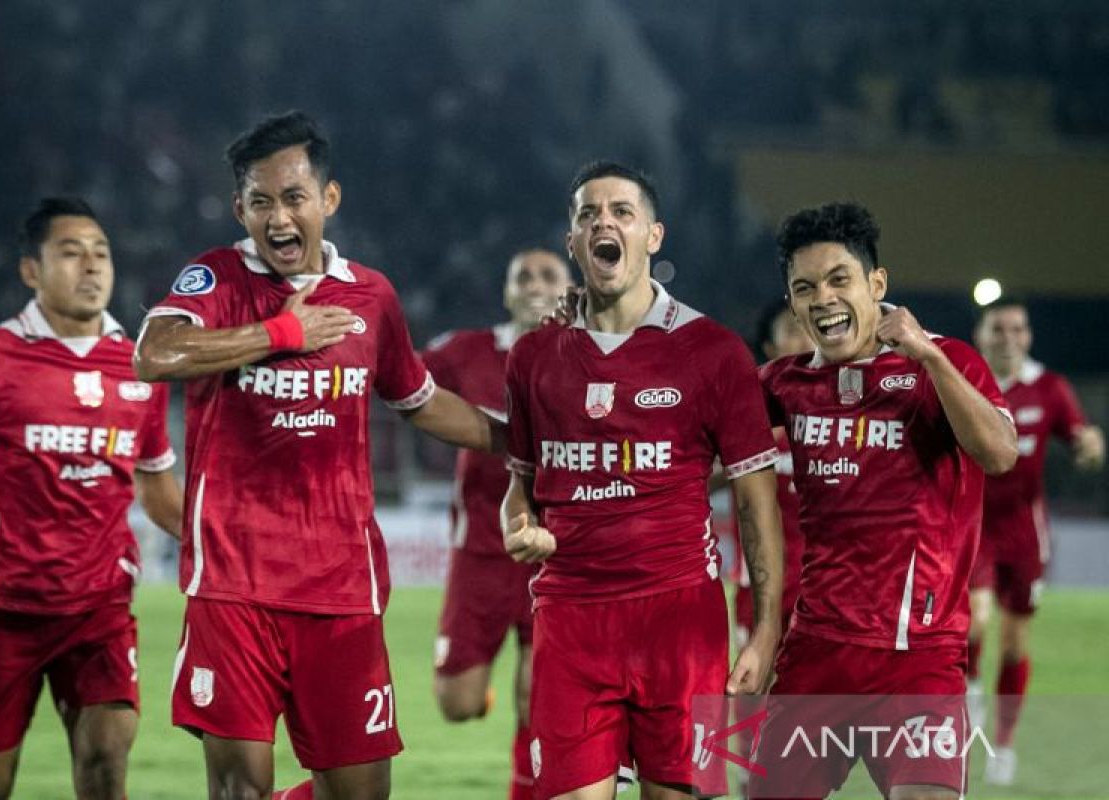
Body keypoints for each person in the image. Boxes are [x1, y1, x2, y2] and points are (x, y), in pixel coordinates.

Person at [133, 111, 502, 800]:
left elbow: (420, 400)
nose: (279, 217)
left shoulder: (372, 296)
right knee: (238, 790)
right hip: (233, 587)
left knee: (361, 794)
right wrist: (282, 331)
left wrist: (519, 441)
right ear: (239, 208)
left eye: (294, 197)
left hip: (341, 590)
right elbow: (154, 356)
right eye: (261, 201)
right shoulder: (213, 281)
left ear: (327, 200)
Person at [501, 161, 786, 800]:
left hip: (681, 622)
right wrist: (518, 527)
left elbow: (755, 502)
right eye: (587, 215)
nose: (604, 223)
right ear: (572, 241)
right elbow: (519, 482)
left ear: (654, 235)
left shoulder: (712, 351)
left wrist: (766, 630)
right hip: (571, 619)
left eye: (621, 212)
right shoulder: (533, 357)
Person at [0, 197, 182, 800]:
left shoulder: (140, 366)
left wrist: (209, 539)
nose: (91, 267)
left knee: (107, 760)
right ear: (31, 271)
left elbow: (155, 481)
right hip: (3, 607)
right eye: (70, 252)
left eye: (101, 253)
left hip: (101, 607)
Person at [748, 202, 1018, 800]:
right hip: (816, 657)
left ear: (877, 283)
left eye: (839, 279)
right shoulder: (782, 384)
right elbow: (695, 461)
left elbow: (1000, 454)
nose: (823, 298)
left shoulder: (944, 362)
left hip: (919, 658)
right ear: (792, 304)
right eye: (805, 287)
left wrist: (928, 356)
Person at [424, 248, 572, 800]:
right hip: (481, 556)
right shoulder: (466, 351)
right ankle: (482, 691)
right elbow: (402, 383)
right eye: (523, 277)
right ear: (506, 292)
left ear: (570, 287)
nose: (535, 285)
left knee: (537, 701)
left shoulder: (586, 356)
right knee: (456, 704)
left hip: (552, 556)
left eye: (548, 275)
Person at [966, 296, 1104, 785]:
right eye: (998, 329)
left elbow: (1081, 436)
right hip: (973, 525)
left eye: (1018, 330)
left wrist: (1091, 448)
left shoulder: (1049, 387)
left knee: (1015, 641)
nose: (1009, 338)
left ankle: (1003, 745)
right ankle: (970, 686)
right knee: (974, 620)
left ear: (1029, 336)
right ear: (981, 333)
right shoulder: (964, 381)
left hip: (1025, 530)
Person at [729, 300, 813, 646]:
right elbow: (700, 477)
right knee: (756, 693)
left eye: (812, 329)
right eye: (793, 331)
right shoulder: (745, 412)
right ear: (770, 347)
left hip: (825, 584)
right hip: (762, 584)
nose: (807, 340)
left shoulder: (848, 417)